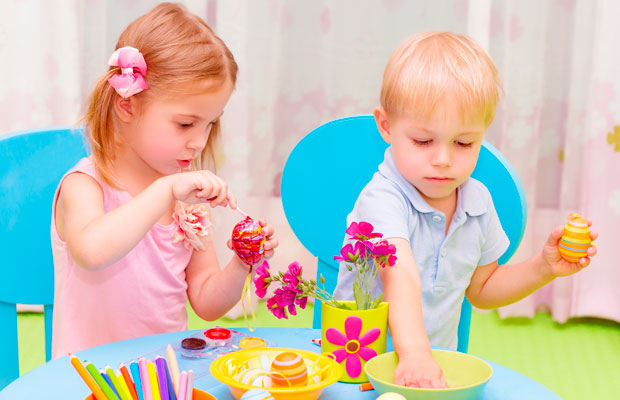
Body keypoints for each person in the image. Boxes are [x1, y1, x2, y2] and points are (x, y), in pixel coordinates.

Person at [333, 31, 597, 388]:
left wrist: (543, 268)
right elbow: (399, 273)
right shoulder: (381, 199)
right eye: (423, 141)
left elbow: (482, 290)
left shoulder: (477, 202)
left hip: (432, 375)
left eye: (463, 142)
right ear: (386, 126)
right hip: (357, 371)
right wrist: (414, 354)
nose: (443, 159)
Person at [51, 3, 278, 358]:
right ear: (127, 106)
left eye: (210, 124)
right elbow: (91, 252)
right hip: (87, 377)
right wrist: (165, 190)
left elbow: (206, 301)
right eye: (186, 124)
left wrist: (241, 262)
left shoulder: (185, 201)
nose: (199, 141)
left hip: (163, 376)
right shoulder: (85, 185)